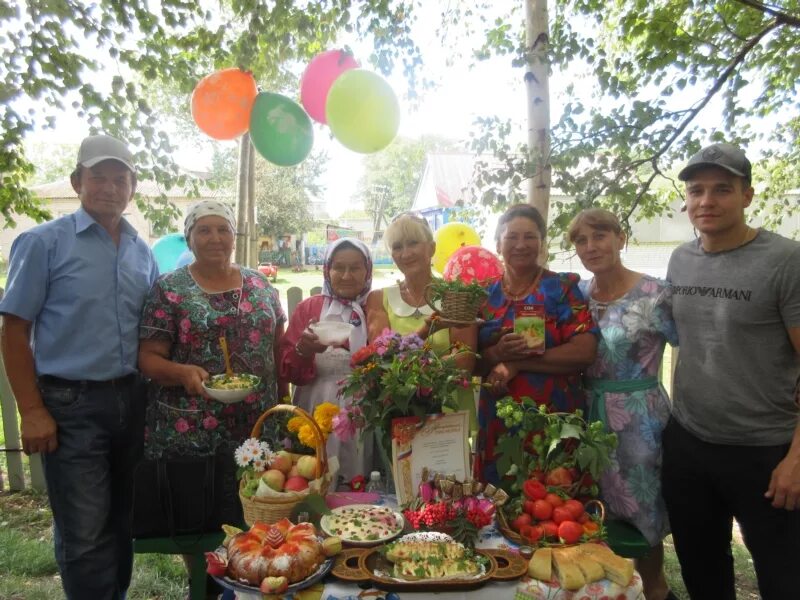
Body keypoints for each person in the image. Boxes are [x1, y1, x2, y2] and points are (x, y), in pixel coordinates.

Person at [0, 134, 158, 600]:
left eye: (119, 179)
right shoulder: (42, 243)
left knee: (123, 522)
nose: (109, 188)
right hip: (70, 404)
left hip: (132, 400)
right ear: (76, 182)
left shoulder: (140, 251)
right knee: (85, 530)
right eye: (98, 178)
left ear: (132, 187)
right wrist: (31, 409)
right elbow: (13, 330)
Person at [662, 143, 800, 599]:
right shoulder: (681, 259)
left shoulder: (785, 261)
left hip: (766, 451)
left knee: (784, 578)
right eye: (696, 190)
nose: (706, 201)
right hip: (689, 444)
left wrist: (797, 460)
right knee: (702, 571)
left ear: (748, 195)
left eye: (722, 189)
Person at [569, 208, 678, 600]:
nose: (590, 246)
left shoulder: (656, 294)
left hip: (638, 421)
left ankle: (656, 590)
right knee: (589, 514)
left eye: (599, 236)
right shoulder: (576, 295)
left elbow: (694, 350)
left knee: (641, 516)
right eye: (581, 240)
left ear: (620, 238)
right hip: (585, 416)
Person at [138, 199, 287, 462]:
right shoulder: (170, 288)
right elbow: (148, 358)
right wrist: (181, 372)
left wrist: (284, 402)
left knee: (258, 501)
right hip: (192, 431)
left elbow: (278, 348)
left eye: (223, 229)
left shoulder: (259, 283)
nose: (215, 238)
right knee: (196, 503)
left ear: (233, 237)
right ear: (189, 239)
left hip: (258, 426)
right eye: (204, 230)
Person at [477, 203, 597, 484]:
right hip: (498, 425)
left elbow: (585, 351)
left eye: (530, 237)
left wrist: (518, 363)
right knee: (497, 508)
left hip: (554, 425)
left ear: (542, 244)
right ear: (498, 243)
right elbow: (471, 362)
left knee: (554, 512)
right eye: (512, 237)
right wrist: (496, 353)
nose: (521, 245)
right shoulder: (483, 296)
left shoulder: (562, 288)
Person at [365, 213, 478, 432]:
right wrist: (428, 335)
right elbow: (382, 358)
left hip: (448, 411)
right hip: (399, 412)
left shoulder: (456, 295)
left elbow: (465, 361)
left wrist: (407, 372)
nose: (405, 253)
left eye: (413, 243)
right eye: (397, 247)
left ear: (432, 249)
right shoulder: (379, 298)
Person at [279, 237, 374, 481]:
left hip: (360, 410)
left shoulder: (374, 309)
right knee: (311, 473)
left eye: (355, 268)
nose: (346, 275)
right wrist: (304, 350)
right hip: (314, 403)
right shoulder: (309, 309)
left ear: (367, 271)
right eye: (338, 267)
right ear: (327, 269)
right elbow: (288, 370)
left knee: (356, 472)